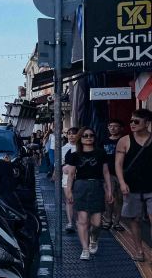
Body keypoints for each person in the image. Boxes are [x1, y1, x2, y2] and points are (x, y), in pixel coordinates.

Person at [64, 128, 114, 261]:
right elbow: (71, 174)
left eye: (91, 135)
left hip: (97, 185)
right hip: (80, 186)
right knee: (82, 220)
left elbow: (106, 173)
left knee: (97, 222)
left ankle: (94, 239)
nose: (88, 137)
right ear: (80, 138)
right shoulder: (75, 155)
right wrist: (69, 190)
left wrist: (109, 190)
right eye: (85, 135)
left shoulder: (100, 153)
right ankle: (85, 249)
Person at [115, 109, 152, 262]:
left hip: (151, 186)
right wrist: (122, 183)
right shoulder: (124, 141)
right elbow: (118, 164)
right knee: (134, 220)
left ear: (147, 123)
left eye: (136, 121)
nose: (132, 124)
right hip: (132, 187)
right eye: (131, 121)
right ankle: (139, 250)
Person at [102, 119, 125, 231]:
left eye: (116, 126)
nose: (113, 128)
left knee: (120, 199)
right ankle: (108, 220)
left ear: (121, 128)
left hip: (122, 173)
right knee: (109, 197)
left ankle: (117, 222)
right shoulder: (103, 141)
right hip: (108, 173)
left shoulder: (125, 141)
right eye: (111, 126)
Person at [61, 127, 79, 233]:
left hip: (80, 176)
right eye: (69, 134)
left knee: (78, 200)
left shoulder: (81, 147)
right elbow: (60, 163)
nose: (71, 136)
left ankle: (79, 221)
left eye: (74, 134)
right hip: (67, 177)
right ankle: (70, 222)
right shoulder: (64, 148)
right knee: (69, 200)